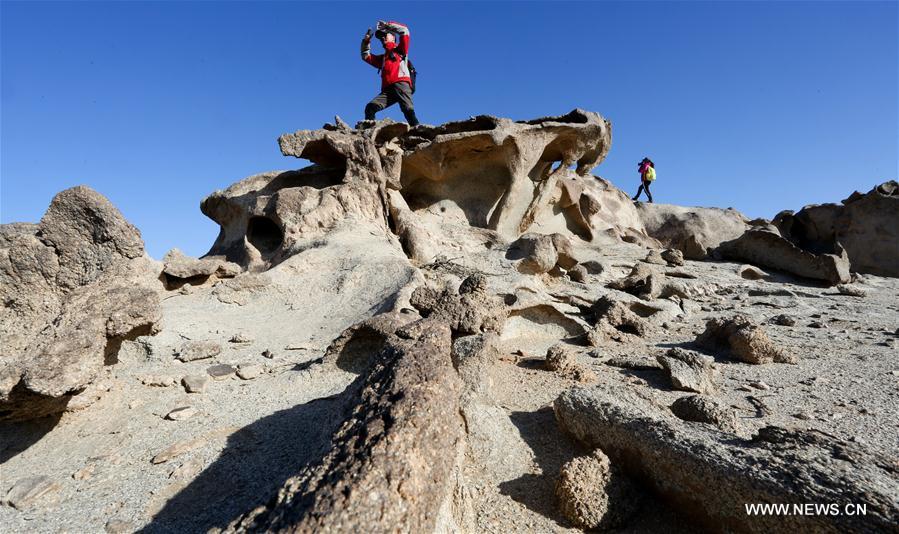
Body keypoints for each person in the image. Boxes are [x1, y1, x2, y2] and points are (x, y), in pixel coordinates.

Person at [360, 20, 419, 126]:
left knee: (408, 110)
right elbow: (365, 56)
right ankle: (368, 131)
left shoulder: (401, 50)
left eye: (384, 35)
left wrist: (388, 25)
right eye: (381, 37)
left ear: (393, 37)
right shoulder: (383, 58)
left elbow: (405, 31)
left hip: (401, 84)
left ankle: (419, 132)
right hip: (388, 90)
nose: (382, 38)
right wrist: (366, 41)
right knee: (370, 107)